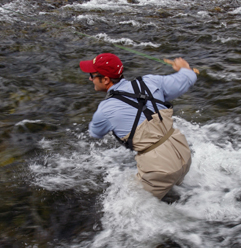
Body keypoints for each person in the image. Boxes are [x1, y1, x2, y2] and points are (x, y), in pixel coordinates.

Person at [79, 52, 197, 200]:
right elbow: (188, 78)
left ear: (106, 79)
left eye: (92, 75)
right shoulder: (150, 81)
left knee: (126, 208)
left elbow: (95, 133)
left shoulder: (105, 109)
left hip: (159, 169)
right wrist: (185, 68)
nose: (90, 78)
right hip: (183, 154)